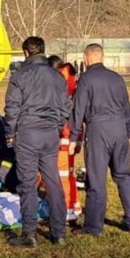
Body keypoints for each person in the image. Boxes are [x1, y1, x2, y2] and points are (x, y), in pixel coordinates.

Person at [4, 36, 70, 247]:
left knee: (28, 183)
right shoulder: (57, 76)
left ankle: (29, 232)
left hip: (27, 132)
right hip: (50, 132)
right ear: (43, 50)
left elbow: (12, 107)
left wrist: (10, 132)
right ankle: (58, 232)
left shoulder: (20, 75)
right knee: (52, 181)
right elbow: (66, 107)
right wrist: (57, 125)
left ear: (26, 53)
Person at [69, 43, 130, 235]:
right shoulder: (117, 78)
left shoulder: (85, 79)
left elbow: (78, 110)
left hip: (97, 130)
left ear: (86, 58)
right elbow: (127, 108)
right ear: (103, 57)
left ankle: (93, 226)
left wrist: (73, 138)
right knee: (124, 175)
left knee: (96, 179)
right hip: (119, 129)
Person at [47, 55, 83, 224]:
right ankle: (72, 207)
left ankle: (67, 211)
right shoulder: (69, 84)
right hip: (70, 137)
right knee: (67, 175)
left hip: (62, 138)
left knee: (61, 176)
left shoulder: (58, 86)